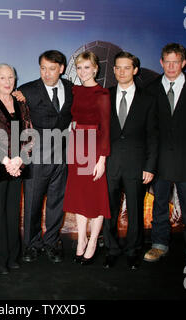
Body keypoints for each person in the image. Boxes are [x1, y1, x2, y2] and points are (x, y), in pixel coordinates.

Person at [144, 43, 186, 271]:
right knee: (160, 204)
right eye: (167, 62)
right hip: (159, 160)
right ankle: (159, 244)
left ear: (184, 63)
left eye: (176, 62)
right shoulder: (150, 90)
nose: (171, 66)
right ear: (161, 62)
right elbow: (148, 126)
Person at [103, 51, 158, 270]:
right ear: (114, 70)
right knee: (109, 210)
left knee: (135, 211)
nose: (122, 71)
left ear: (135, 70)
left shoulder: (148, 99)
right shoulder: (105, 96)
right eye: (118, 67)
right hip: (109, 164)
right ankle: (112, 249)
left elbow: (154, 135)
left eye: (127, 67)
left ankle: (133, 250)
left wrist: (150, 166)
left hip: (137, 165)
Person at [19, 50, 73, 263]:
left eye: (52, 69)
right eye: (43, 68)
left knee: (56, 203)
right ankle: (32, 244)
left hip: (61, 155)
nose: (47, 73)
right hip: (36, 156)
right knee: (32, 203)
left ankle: (51, 242)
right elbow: (18, 124)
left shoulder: (71, 89)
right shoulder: (27, 91)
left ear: (61, 69)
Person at [0, 64, 33, 275]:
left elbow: (29, 133)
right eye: (3, 78)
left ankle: (12, 257)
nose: (7, 81)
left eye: (10, 77)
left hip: (17, 167)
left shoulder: (21, 104)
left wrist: (19, 159)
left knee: (12, 214)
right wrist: (7, 162)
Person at [63, 51, 111, 265]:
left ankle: (92, 242)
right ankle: (81, 240)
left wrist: (102, 160)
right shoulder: (74, 90)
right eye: (79, 67)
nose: (83, 72)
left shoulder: (102, 94)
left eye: (87, 67)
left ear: (95, 69)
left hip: (94, 145)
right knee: (80, 197)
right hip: (77, 144)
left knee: (95, 198)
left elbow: (106, 129)